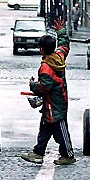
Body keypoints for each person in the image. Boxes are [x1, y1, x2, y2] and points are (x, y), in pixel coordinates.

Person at [21, 19, 76, 166]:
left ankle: (68, 155)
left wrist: (33, 85)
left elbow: (44, 87)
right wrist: (61, 31)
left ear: (41, 49)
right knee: (45, 128)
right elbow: (64, 45)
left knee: (60, 128)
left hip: (55, 104)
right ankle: (38, 152)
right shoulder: (59, 56)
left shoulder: (45, 68)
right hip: (55, 102)